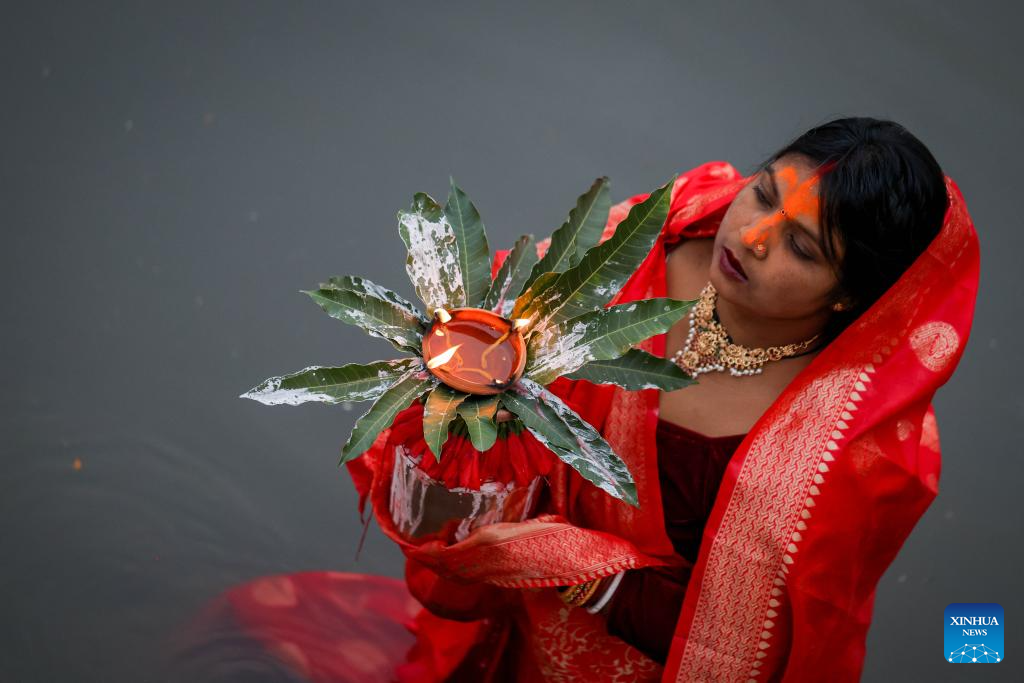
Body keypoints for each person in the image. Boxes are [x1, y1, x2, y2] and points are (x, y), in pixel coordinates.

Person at [192, 117, 980, 682]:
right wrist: (458, 424)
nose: (755, 234)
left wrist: (589, 575)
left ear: (848, 298)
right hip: (517, 634)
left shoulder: (859, 448)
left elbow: (772, 644)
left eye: (804, 247)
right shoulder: (646, 247)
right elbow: (511, 350)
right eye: (763, 191)